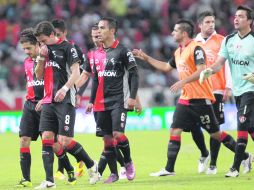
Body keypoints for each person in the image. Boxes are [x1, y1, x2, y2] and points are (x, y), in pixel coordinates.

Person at [132, 19, 250, 177]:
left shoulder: (197, 48)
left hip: (201, 99)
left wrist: (182, 81)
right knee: (175, 130)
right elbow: (166, 67)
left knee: (215, 134)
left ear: (184, 33)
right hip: (186, 99)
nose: (172, 33)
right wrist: (145, 57)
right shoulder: (178, 51)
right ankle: (169, 168)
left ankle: (245, 156)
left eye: (175, 30)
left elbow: (201, 70)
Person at [33, 21, 100, 189]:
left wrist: (65, 89)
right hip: (48, 100)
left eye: (42, 40)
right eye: (39, 42)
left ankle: (92, 165)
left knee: (64, 140)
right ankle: (49, 181)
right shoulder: (43, 51)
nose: (41, 44)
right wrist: (41, 57)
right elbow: (38, 76)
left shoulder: (68, 48)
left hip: (65, 99)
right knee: (47, 138)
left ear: (51, 35)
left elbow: (76, 72)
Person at [76, 23, 142, 180]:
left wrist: (134, 98)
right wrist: (73, 90)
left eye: (100, 31)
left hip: (119, 100)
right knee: (107, 140)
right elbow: (93, 79)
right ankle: (113, 173)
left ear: (109, 31)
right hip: (100, 103)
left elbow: (132, 75)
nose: (97, 36)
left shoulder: (122, 51)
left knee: (118, 135)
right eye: (94, 35)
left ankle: (128, 162)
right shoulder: (92, 55)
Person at [16, 28, 76, 188]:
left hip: (46, 104)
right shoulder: (27, 63)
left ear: (38, 45)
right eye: (24, 49)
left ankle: (69, 168)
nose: (26, 52)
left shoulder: (50, 59)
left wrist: (45, 99)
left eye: (29, 48)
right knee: (24, 140)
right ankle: (26, 179)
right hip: (30, 105)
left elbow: (53, 83)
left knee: (53, 143)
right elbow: (32, 82)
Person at [200, 5, 254, 177]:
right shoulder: (229, 40)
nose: (236, 19)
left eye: (241, 16)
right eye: (235, 16)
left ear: (250, 21)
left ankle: (235, 168)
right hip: (238, 92)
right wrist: (209, 71)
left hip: (251, 90)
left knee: (242, 124)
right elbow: (219, 63)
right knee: (251, 127)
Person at [193, 11, 233, 175]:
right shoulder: (194, 42)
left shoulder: (222, 40)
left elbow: (228, 65)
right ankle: (204, 153)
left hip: (216, 89)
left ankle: (213, 164)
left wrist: (229, 86)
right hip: (197, 91)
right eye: (207, 22)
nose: (211, 24)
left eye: (212, 21)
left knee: (215, 127)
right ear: (200, 24)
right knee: (193, 125)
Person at [51, 19, 85, 180]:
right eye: (54, 34)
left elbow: (84, 73)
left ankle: (79, 162)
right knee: (57, 137)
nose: (56, 37)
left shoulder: (73, 49)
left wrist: (76, 92)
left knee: (63, 138)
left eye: (59, 34)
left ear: (65, 33)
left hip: (67, 94)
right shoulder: (49, 48)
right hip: (53, 97)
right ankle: (64, 168)